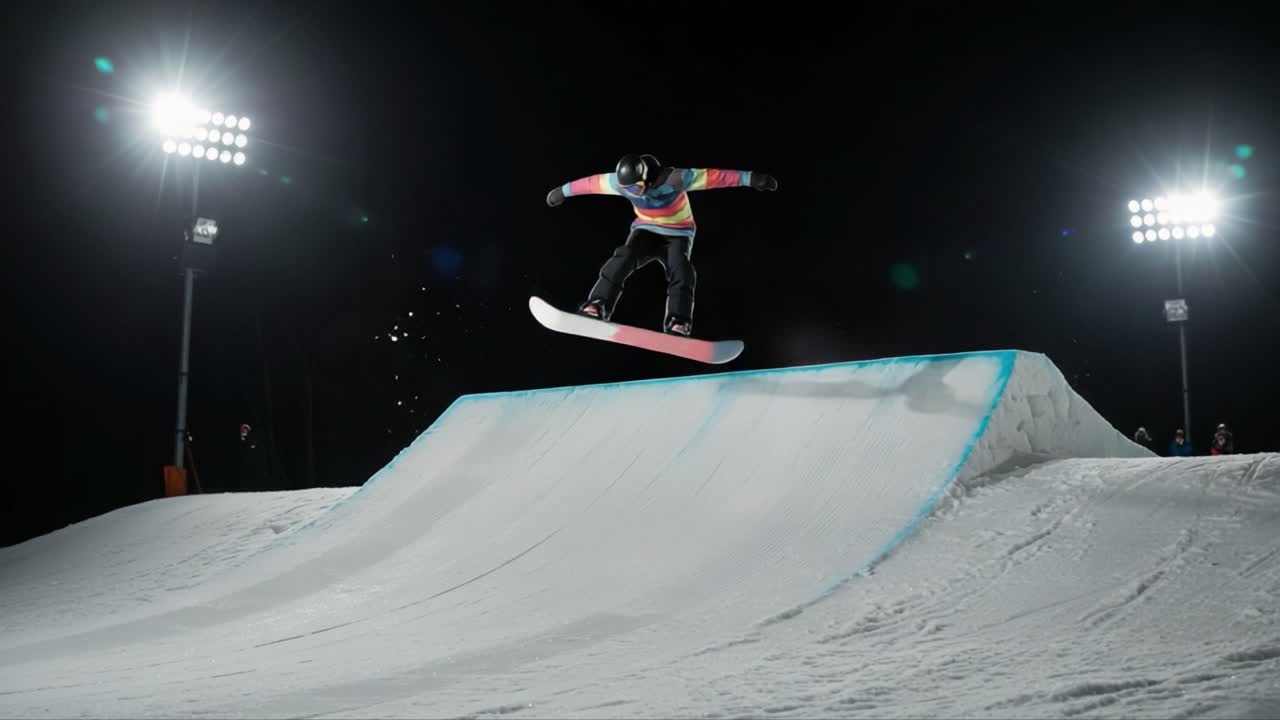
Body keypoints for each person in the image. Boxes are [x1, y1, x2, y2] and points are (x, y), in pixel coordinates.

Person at [546, 153, 778, 337]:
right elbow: (590, 184)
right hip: (646, 230)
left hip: (678, 233)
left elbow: (713, 177)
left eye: (636, 188)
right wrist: (561, 192)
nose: (633, 193)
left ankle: (678, 320)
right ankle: (598, 304)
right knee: (624, 255)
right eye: (627, 190)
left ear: (646, 178)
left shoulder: (675, 179)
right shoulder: (618, 183)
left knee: (681, 269)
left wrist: (751, 178)